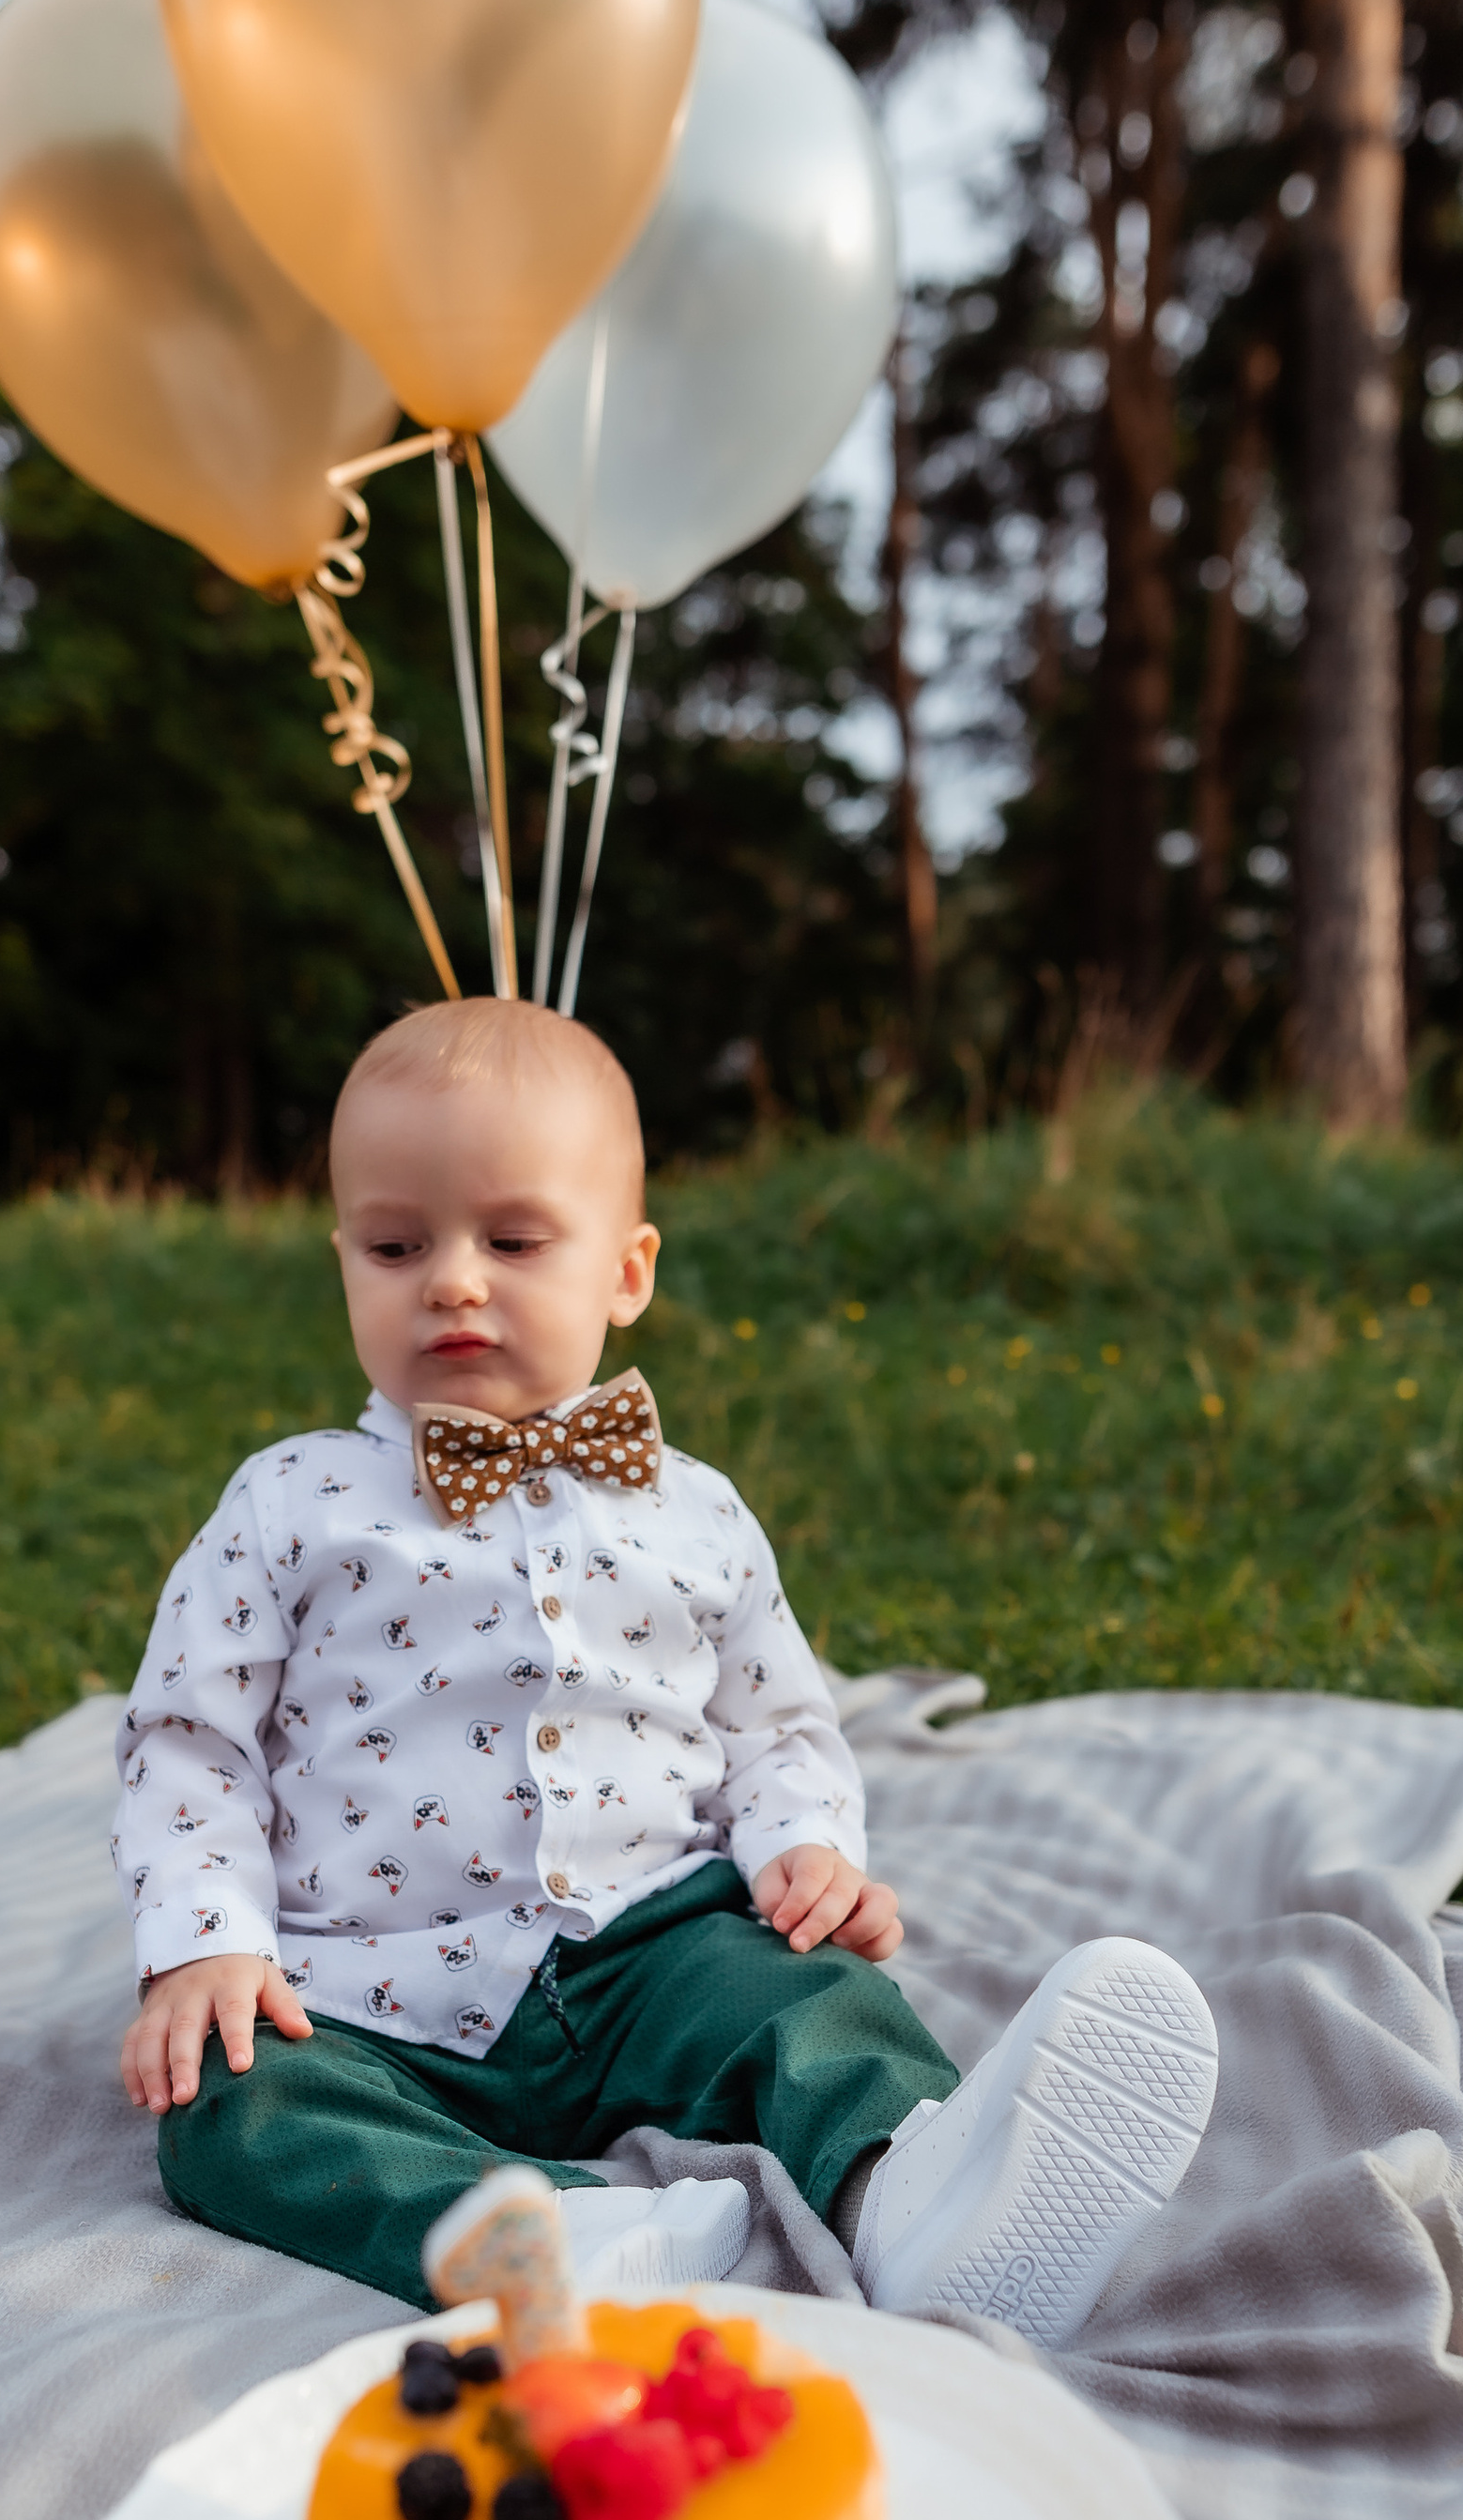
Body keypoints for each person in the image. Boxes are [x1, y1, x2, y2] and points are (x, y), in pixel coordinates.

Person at [112, 997, 1217, 2345]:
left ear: (627, 1272)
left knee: (810, 2001)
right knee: (228, 2117)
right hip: (364, 1987)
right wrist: (205, 1946)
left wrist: (803, 1842)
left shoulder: (693, 1511)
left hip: (646, 1943)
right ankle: (546, 2242)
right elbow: (188, 1740)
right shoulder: (292, 1502)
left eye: (513, 1240)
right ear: (344, 1258)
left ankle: (914, 2199)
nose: (453, 1278)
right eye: (398, 1245)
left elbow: (777, 1723)